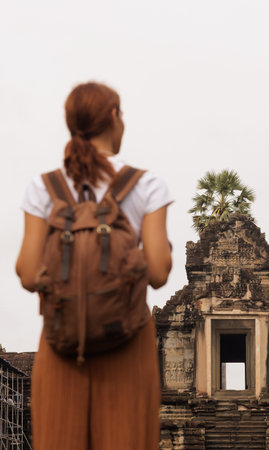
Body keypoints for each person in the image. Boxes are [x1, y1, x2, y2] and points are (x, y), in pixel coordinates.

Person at [16, 82, 173, 450]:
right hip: (127, 340)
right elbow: (158, 272)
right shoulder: (145, 185)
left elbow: (26, 272)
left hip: (62, 339)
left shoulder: (45, 188)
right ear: (114, 118)